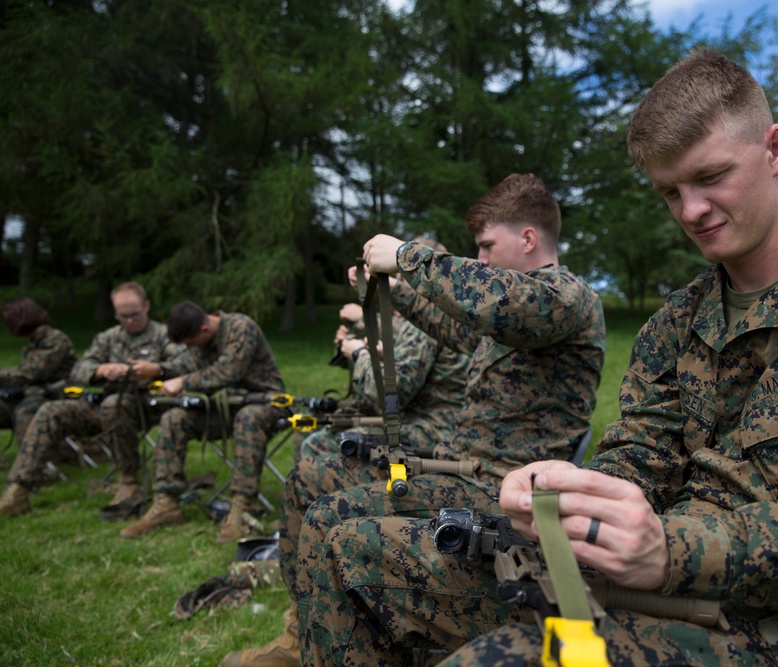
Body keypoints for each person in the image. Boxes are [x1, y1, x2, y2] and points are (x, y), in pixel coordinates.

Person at [302, 49, 778, 667]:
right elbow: (639, 455)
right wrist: (571, 494)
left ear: (776, 148)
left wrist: (676, 548)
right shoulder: (675, 325)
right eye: (669, 192)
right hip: (656, 586)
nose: (691, 210)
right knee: (353, 555)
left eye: (711, 176)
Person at [219, 173, 606, 667]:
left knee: (325, 521)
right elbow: (456, 321)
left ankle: (327, 646)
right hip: (461, 468)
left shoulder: (566, 296)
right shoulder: (511, 317)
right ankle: (302, 640)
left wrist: (407, 256)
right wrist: (393, 292)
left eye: (487, 246)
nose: (481, 258)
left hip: (500, 487)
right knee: (307, 480)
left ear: (528, 238)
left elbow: (496, 303)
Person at [1, 282, 194, 517]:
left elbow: (187, 364)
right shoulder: (109, 338)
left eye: (135, 314)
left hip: (150, 406)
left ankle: (129, 481)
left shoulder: (164, 336)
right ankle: (19, 489)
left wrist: (157, 369)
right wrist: (101, 371)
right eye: (123, 316)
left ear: (146, 306)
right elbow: (80, 368)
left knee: (115, 406)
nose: (130, 321)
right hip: (105, 404)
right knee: (52, 411)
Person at [120, 301, 288, 544]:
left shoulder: (240, 327)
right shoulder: (201, 339)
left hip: (266, 403)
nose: (189, 348)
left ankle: (241, 509)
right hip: (222, 409)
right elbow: (185, 366)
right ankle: (166, 503)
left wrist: (184, 383)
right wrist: (159, 370)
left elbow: (228, 371)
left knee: (248, 418)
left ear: (205, 330)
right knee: (174, 418)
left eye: (190, 343)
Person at [299, 238, 471, 461]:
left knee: (318, 445)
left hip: (433, 432)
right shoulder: (436, 316)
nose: (397, 284)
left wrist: (359, 354)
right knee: (319, 428)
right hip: (426, 423)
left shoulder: (423, 325)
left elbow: (390, 396)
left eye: (403, 277)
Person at [0, 297, 77, 472]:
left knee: (25, 412)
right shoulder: (34, 343)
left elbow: (32, 373)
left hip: (55, 394)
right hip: (32, 393)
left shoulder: (55, 340)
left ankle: (35, 469)